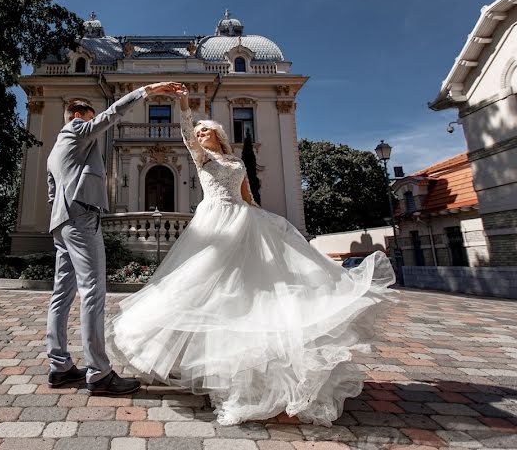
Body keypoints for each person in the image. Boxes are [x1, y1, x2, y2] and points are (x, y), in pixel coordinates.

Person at [107, 84, 396, 424]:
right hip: (214, 223)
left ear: (218, 135)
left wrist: (269, 221)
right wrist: (184, 104)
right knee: (200, 287)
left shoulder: (236, 161)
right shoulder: (201, 158)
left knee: (244, 292)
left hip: (242, 221)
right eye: (197, 133)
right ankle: (183, 361)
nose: (199, 135)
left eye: (205, 131)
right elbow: (185, 132)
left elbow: (247, 197)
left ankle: (240, 369)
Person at [46, 81, 184, 396]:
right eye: (88, 119)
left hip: (61, 222)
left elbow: (52, 192)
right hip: (80, 217)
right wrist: (144, 92)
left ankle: (60, 367)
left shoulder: (55, 150)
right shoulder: (76, 129)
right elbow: (110, 116)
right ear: (77, 115)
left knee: (61, 295)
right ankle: (99, 373)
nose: (93, 128)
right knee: (93, 291)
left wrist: (60, 221)